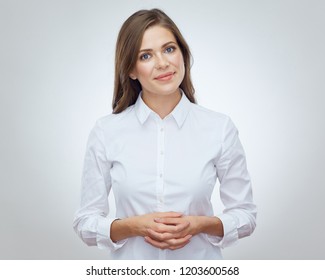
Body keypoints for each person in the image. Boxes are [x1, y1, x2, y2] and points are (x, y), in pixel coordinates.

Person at [73, 8, 257, 260]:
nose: (162, 63)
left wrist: (200, 224)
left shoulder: (219, 128)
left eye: (169, 49)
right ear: (131, 70)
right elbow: (85, 222)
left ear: (183, 54)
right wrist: (132, 226)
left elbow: (245, 214)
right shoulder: (106, 132)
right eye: (146, 55)